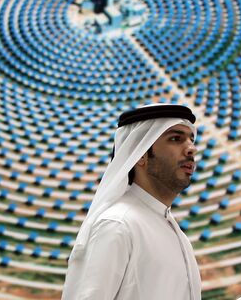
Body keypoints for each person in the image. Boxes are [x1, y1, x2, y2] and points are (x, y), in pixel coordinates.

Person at [62, 103, 201, 300]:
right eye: (175, 139)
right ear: (141, 155)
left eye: (191, 140)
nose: (191, 149)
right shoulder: (117, 225)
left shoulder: (172, 229)